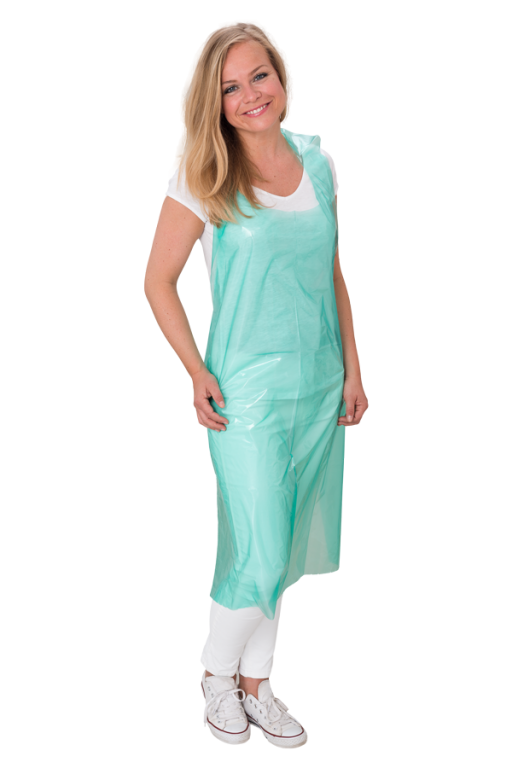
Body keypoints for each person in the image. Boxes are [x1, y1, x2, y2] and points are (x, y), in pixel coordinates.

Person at [144, 23, 369, 749]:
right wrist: (197, 372)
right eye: (230, 88)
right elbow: (158, 280)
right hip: (244, 394)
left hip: (318, 388)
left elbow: (331, 271)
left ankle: (257, 683)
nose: (249, 96)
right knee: (262, 548)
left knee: (282, 545)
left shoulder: (319, 163)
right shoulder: (203, 174)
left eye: (258, 76)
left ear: (282, 76)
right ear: (212, 103)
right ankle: (216, 674)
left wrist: (354, 369)